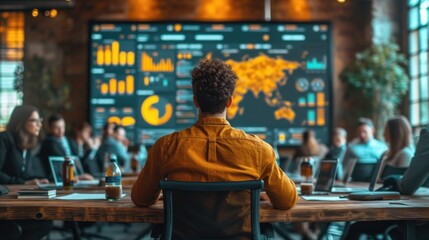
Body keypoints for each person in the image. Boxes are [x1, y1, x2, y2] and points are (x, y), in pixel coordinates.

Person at [131, 59, 298, 238]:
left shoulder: (165, 147)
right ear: (230, 101)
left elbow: (141, 199)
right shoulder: (259, 149)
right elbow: (287, 201)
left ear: (195, 102)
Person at [343, 126, 429, 240]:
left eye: (385, 131)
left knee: (357, 225)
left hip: (415, 216)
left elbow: (407, 186)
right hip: (409, 209)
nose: (383, 135)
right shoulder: (387, 153)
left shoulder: (406, 152)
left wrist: (393, 179)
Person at [0, 105, 52, 240]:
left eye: (40, 120)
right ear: (21, 122)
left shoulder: (27, 145)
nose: (39, 124)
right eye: (34, 120)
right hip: (4, 202)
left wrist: (36, 180)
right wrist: (22, 182)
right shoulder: (5, 139)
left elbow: (22, 174)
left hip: (16, 199)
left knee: (45, 223)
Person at [39, 114, 93, 181]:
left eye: (62, 127)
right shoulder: (49, 143)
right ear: (50, 128)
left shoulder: (68, 141)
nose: (61, 130)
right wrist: (76, 177)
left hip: (76, 178)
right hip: (63, 180)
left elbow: (77, 160)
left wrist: (90, 149)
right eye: (57, 128)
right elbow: (58, 167)